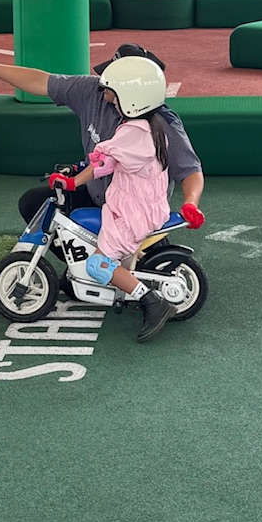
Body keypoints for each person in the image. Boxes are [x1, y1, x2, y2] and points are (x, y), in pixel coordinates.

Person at [0, 42, 205, 230]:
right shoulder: (93, 91)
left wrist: (190, 203)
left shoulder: (161, 123)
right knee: (35, 203)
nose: (103, 85)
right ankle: (82, 266)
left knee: (138, 264)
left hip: (135, 212)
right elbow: (42, 82)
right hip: (97, 197)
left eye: (111, 80)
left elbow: (189, 170)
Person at [43, 57, 177, 341]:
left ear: (132, 98)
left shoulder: (132, 133)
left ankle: (152, 301)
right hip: (137, 204)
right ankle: (128, 276)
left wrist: (72, 181)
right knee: (111, 248)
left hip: (132, 211)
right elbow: (109, 162)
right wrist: (78, 175)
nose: (107, 99)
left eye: (113, 94)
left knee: (97, 264)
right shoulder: (151, 126)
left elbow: (102, 162)